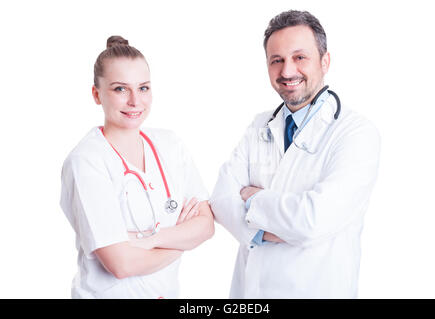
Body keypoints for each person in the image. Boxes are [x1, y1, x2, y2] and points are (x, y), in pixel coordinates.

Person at [210, 10, 380, 298]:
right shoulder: (259, 125)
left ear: (325, 61)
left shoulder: (356, 133)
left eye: (300, 57)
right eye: (277, 60)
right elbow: (221, 200)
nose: (287, 71)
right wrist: (267, 231)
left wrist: (253, 198)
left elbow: (312, 221)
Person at [60, 36, 214, 299]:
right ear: (97, 95)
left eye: (143, 88)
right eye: (120, 89)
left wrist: (149, 240)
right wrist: (181, 243)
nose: (135, 101)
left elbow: (206, 226)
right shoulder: (86, 161)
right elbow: (122, 264)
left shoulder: (170, 145)